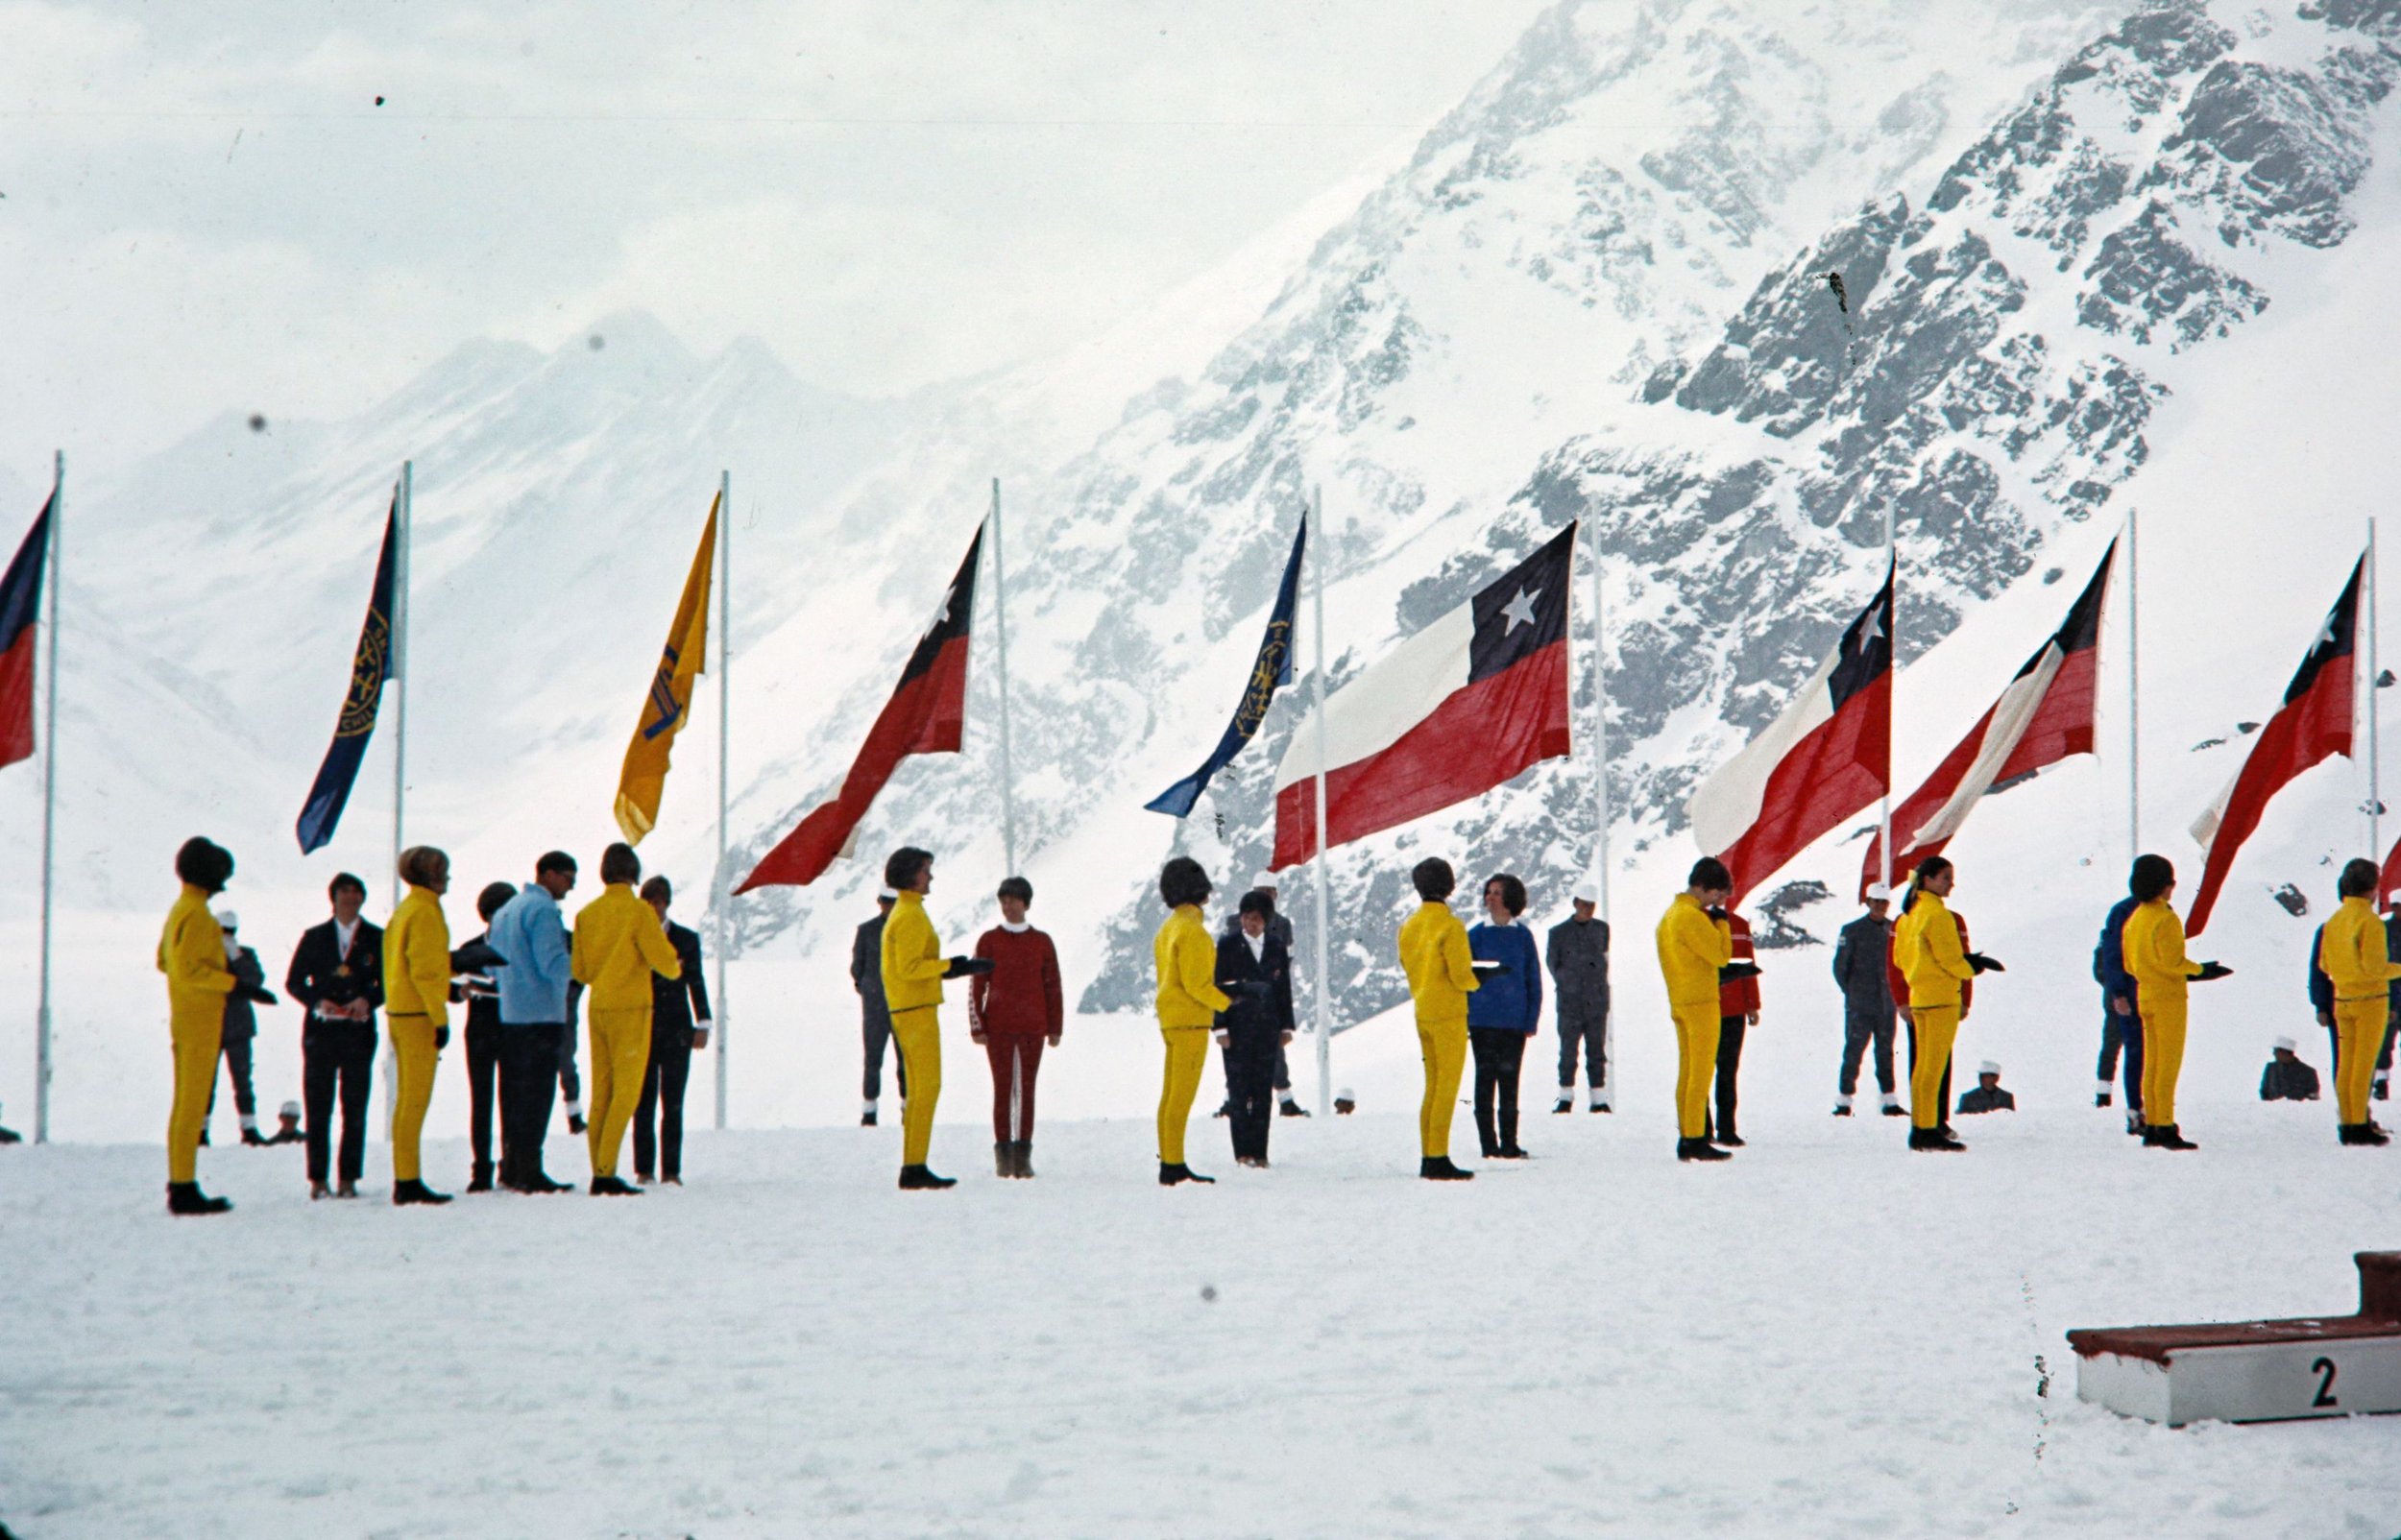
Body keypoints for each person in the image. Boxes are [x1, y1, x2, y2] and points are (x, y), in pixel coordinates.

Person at [570, 842, 682, 1196]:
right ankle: (605, 1171)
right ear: (633, 872)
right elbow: (664, 962)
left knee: (602, 1090)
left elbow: (581, 971)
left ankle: (599, 1167)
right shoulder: (639, 912)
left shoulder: (587, 914)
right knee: (627, 1092)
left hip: (598, 1005)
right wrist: (674, 964)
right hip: (631, 1008)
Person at [883, 846, 984, 1190]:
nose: (931, 876)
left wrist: (952, 970)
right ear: (911, 875)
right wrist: (949, 966)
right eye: (926, 870)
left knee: (919, 1089)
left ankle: (914, 1162)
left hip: (908, 1007)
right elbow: (909, 968)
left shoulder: (906, 911)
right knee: (927, 1087)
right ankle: (914, 1165)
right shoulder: (909, 915)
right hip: (915, 1009)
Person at [2121, 854, 2231, 1151]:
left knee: (2152, 1065)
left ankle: (2153, 1124)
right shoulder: (2165, 919)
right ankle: (2165, 1125)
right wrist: (2201, 970)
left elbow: (2130, 965)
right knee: (2168, 1066)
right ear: (2162, 885)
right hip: (2169, 998)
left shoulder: (2135, 919)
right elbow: (2174, 961)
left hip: (2145, 994)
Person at [286, 872, 384, 1200]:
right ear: (333, 897)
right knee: (319, 1106)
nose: (351, 897)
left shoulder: (376, 937)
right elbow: (295, 981)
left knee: (355, 1105)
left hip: (358, 1032)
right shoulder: (314, 937)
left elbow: (387, 982)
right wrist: (317, 1001)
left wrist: (367, 1000)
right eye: (345, 892)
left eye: (357, 892)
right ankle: (318, 1178)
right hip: (321, 1032)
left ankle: (348, 1178)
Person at [487, 852, 579, 1193]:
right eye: (568, 878)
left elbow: (492, 964)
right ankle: (529, 1168)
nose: (571, 887)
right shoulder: (542, 911)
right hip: (542, 1014)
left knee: (514, 1094)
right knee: (538, 1094)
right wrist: (585, 967)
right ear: (549, 874)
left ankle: (510, 1165)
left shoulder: (507, 910)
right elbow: (552, 963)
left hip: (511, 1014)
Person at [158, 836, 239, 1215]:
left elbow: (165, 961)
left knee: (185, 1104)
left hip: (184, 1015)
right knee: (192, 1105)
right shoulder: (199, 916)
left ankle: (181, 1179)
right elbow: (189, 968)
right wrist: (232, 983)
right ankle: (183, 1185)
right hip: (200, 1020)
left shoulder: (180, 910)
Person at [1894, 856, 1997, 1152]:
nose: (1950, 883)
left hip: (1920, 996)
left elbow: (1900, 959)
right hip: (1941, 998)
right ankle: (1928, 1128)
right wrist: (1972, 968)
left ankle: (1919, 1126)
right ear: (1927, 880)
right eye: (1945, 877)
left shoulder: (1909, 916)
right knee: (1933, 1067)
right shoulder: (1937, 915)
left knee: (1921, 1067)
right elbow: (1950, 958)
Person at [969, 876, 1063, 1179]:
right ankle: (1003, 1154)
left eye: (1012, 900)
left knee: (1026, 1090)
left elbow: (1053, 986)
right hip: (999, 1027)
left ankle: (1022, 1155)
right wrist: (977, 1026)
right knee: (1003, 1089)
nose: (1007, 906)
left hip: (1033, 1028)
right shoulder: (989, 941)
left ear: (1025, 903)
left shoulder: (1042, 942)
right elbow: (976, 986)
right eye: (1003, 901)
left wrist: (1055, 1026)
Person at [383, 845, 456, 1205]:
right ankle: (408, 1180)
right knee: (415, 1100)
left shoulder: (405, 910)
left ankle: (405, 1173)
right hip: (417, 1017)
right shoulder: (426, 913)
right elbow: (425, 972)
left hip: (399, 1011)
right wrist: (440, 1016)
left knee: (405, 1101)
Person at [1399, 856, 1480, 1180]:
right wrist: (1479, 981)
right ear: (1450, 885)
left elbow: (1408, 965)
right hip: (1449, 1012)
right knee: (1447, 1084)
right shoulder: (1451, 926)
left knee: (1432, 1085)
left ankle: (1428, 1153)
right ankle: (1438, 1155)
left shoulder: (1410, 926)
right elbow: (1461, 976)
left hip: (1423, 1009)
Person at [1155, 855, 1232, 1186]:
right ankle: (1174, 1165)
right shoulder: (1195, 932)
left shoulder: (1168, 929)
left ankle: (1169, 1159)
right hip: (1191, 1022)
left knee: (1169, 1095)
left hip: (1170, 1019)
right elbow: (1197, 985)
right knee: (1181, 1097)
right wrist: (1229, 1002)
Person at [631, 877, 712, 1185]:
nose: (654, 908)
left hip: (677, 1029)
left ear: (666, 904)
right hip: (643, 1029)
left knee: (673, 1102)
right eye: (648, 902)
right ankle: (644, 1169)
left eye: (658, 902)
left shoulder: (685, 939)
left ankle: (671, 1170)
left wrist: (703, 1022)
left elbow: (696, 982)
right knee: (644, 1102)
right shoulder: (634, 938)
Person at [1656, 857, 1736, 1163]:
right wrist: (1722, 923)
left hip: (1679, 998)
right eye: (1716, 895)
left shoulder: (1669, 917)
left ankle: (1688, 1134)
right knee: (1700, 1074)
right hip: (1701, 1001)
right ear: (1705, 888)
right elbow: (1720, 955)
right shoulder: (1691, 916)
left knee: (1687, 1071)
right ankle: (1694, 1137)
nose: (1716, 902)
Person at [2316, 857, 2401, 1146]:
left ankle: (2347, 1124)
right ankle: (2360, 1124)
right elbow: (2376, 968)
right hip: (2371, 1000)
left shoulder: (2334, 922)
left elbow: (2325, 964)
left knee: (2346, 1065)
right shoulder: (2370, 923)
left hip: (2343, 998)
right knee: (2364, 1066)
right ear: (2373, 888)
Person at [1214, 889, 1295, 1167]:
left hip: (1267, 1028)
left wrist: (1286, 1026)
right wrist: (1219, 1028)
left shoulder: (1275, 946)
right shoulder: (1227, 944)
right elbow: (1217, 987)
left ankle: (1260, 1153)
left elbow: (1284, 989)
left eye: (1257, 918)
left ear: (1266, 920)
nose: (1250, 923)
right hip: (1236, 1028)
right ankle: (1242, 1152)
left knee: (1262, 1091)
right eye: (1246, 917)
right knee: (1239, 1090)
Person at [1467, 873, 1540, 1160]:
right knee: (1484, 1082)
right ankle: (1489, 1145)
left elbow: (1532, 979)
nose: (1491, 897)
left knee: (1510, 1083)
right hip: (1482, 1021)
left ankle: (1509, 1143)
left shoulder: (1523, 936)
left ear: (1511, 899)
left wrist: (1530, 1019)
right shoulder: (1475, 935)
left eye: (1497, 892)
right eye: (1489, 891)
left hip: (1513, 1023)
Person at [457, 882, 516, 1192]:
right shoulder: (471, 948)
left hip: (510, 1026)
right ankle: (481, 1168)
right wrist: (461, 990)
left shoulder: (518, 947)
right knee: (481, 1099)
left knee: (510, 1098)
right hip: (480, 1028)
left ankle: (509, 1165)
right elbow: (450, 984)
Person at [206, 909, 277, 1146]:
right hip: (213, 1024)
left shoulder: (244, 955)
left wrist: (235, 955)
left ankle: (249, 1128)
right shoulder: (207, 956)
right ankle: (201, 1129)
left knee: (243, 1081)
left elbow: (255, 980)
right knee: (207, 1081)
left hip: (238, 1027)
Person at [1832, 888, 1903, 1117]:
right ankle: (1844, 1101)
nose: (1881, 906)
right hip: (1860, 1005)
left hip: (1886, 1003)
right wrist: (1853, 992)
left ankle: (1889, 1099)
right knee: (1853, 1052)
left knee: (1885, 1051)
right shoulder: (1852, 931)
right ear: (1868, 902)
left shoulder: (1895, 930)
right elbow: (1840, 968)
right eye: (1876, 901)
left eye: (1884, 902)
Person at [1545, 889, 1611, 1114]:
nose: (1588, 909)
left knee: (1597, 1049)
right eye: (1584, 904)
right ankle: (1565, 1096)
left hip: (1596, 1001)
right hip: (1570, 1002)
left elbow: (1603, 959)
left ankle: (1598, 1097)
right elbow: (1553, 964)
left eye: (1591, 905)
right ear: (1575, 903)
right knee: (1568, 1050)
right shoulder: (1558, 933)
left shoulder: (1602, 929)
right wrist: (1569, 983)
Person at [1704, 907, 1760, 1146]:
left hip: (1733, 1010)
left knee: (1727, 1072)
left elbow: (1748, 965)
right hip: (1704, 1008)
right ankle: (1701, 1129)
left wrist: (1752, 1004)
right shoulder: (1696, 921)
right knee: (1702, 1072)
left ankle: (1726, 1129)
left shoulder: (1739, 925)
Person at [2096, 884, 2146, 1134]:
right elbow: (2104, 963)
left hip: (2128, 995)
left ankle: (2127, 1099)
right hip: (2122, 998)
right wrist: (2117, 989)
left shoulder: (2120, 913)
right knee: (2116, 1047)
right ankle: (2105, 1094)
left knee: (2124, 1049)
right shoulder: (2124, 913)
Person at [852, 890, 901, 1126]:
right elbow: (856, 967)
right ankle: (869, 1110)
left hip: (899, 1003)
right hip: (877, 1006)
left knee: (904, 1059)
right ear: (879, 902)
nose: (889, 906)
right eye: (886, 901)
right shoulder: (866, 930)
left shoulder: (905, 928)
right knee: (873, 1059)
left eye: (893, 901)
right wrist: (868, 988)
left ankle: (906, 1106)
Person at [2261, 1036, 2322, 1102]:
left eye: (2276, 1051)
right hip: (2274, 1111)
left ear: (2285, 1052)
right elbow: (2264, 1092)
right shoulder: (2271, 1069)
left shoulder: (2308, 1072)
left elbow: (2313, 1097)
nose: (2274, 1054)